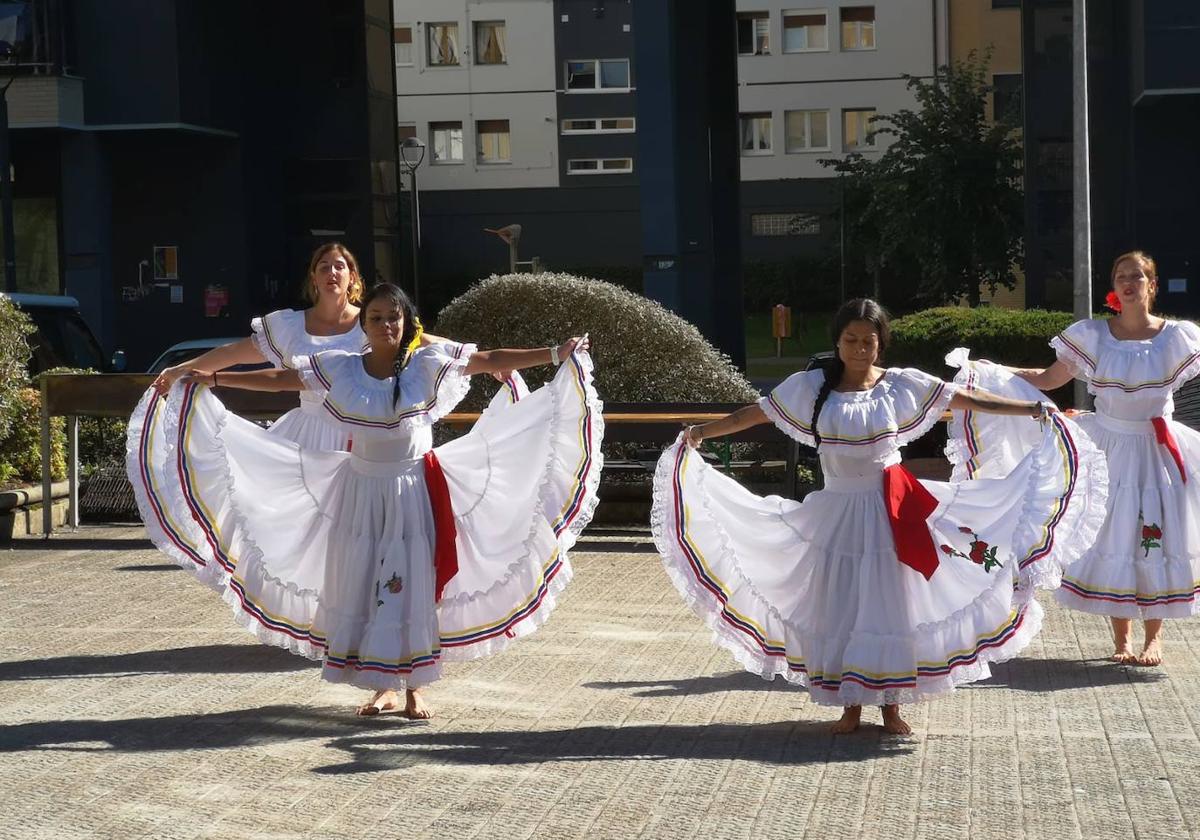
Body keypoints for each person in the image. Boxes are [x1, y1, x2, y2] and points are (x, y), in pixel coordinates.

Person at [128, 283, 602, 717]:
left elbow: (490, 358)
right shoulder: (341, 368)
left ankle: (416, 685)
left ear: (407, 323)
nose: (385, 326)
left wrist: (555, 353)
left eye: (393, 318)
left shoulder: (427, 364)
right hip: (359, 490)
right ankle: (383, 686)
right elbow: (279, 380)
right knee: (369, 578)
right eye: (375, 318)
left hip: (413, 489)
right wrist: (208, 379)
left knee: (414, 579)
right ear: (364, 325)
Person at [651, 298, 1107, 734]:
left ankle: (891, 707)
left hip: (893, 511)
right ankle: (850, 706)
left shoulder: (898, 386)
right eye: (851, 340)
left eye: (868, 340)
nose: (860, 348)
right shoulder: (811, 389)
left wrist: (1030, 409)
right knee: (842, 606)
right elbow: (756, 413)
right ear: (838, 341)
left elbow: (964, 399)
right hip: (836, 514)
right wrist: (701, 432)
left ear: (880, 343)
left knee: (892, 608)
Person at [950, 251, 1200, 666]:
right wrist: (995, 370)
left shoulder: (1177, 338)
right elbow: (1050, 379)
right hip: (1110, 445)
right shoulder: (1094, 336)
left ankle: (1153, 638)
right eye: (1121, 275)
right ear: (1114, 286)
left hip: (1158, 451)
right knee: (1113, 532)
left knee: (1155, 535)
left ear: (1152, 285)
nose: (1128, 282)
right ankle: (1121, 639)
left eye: (1137, 276)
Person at [150, 242, 453, 449]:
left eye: (339, 267)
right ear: (314, 277)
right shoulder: (290, 327)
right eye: (324, 267)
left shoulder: (373, 320)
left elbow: (428, 342)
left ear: (353, 277)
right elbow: (232, 352)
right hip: (307, 432)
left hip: (361, 429)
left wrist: (473, 357)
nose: (332, 273)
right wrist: (180, 369)